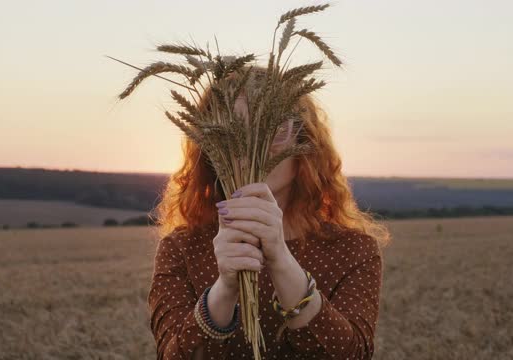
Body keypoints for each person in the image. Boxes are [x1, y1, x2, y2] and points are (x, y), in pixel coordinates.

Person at [148, 66, 391, 359]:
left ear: (304, 141)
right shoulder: (182, 249)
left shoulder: (353, 250)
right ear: (210, 147)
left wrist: (280, 259)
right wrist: (225, 288)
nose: (252, 149)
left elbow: (352, 355)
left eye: (272, 129)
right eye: (232, 131)